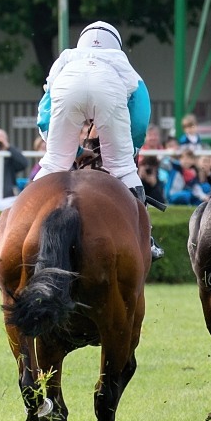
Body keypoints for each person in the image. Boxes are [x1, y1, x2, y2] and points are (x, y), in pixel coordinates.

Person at [35, 20, 164, 261]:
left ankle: (20, 224)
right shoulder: (124, 65)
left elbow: (44, 119)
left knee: (52, 165)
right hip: (109, 90)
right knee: (124, 169)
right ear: (116, 46)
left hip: (66, 86)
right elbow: (139, 120)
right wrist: (127, 150)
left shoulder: (65, 59)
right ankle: (146, 240)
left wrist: (72, 152)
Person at [0, 128, 28, 197]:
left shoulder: (9, 158)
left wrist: (7, 147)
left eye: (2, 138)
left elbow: (24, 163)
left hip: (7, 196)